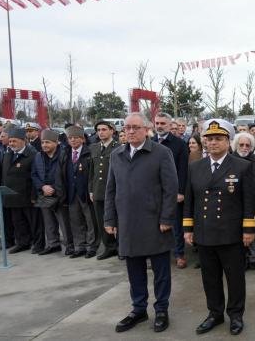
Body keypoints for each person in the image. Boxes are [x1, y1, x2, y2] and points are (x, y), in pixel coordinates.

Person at [105, 113, 179, 333]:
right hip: (127, 223)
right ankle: (138, 309)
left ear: (147, 129)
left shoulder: (161, 153)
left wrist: (167, 217)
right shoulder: (116, 155)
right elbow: (111, 190)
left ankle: (162, 309)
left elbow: (171, 188)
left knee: (161, 272)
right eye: (127, 128)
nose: (130, 131)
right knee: (134, 270)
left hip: (155, 222)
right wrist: (109, 218)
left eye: (135, 127)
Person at [183, 119, 255, 335]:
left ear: (228, 141)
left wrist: (249, 230)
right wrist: (188, 227)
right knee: (210, 278)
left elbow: (250, 201)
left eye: (218, 139)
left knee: (235, 278)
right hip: (205, 233)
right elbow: (190, 199)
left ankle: (235, 315)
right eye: (209, 139)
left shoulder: (242, 166)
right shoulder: (196, 167)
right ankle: (214, 313)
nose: (213, 143)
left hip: (231, 234)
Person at [152, 112, 189, 269]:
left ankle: (179, 254)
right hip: (154, 191)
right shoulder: (150, 142)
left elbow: (183, 169)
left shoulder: (179, 144)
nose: (159, 126)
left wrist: (180, 191)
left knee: (175, 225)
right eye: (157, 123)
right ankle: (157, 254)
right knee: (154, 225)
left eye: (163, 123)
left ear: (169, 125)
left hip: (172, 192)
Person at [1, 127, 42, 254]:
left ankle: (38, 244)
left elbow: (36, 176)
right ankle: (23, 242)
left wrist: (34, 195)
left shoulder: (33, 155)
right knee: (18, 222)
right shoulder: (8, 155)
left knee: (34, 223)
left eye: (14, 141)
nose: (11, 143)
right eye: (10, 141)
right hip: (12, 197)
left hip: (27, 196)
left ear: (23, 140)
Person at [232, 132, 255, 272]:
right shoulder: (230, 159)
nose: (244, 147)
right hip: (235, 203)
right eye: (241, 144)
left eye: (248, 145)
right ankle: (242, 260)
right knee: (238, 232)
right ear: (236, 145)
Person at [61, 125, 98, 259]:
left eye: (76, 138)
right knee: (76, 221)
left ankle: (91, 246)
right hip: (71, 193)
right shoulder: (65, 153)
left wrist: (91, 190)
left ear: (82, 139)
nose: (73, 140)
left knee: (90, 221)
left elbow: (93, 174)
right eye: (70, 138)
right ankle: (79, 246)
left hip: (86, 193)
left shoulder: (89, 153)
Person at [89, 121, 120, 260]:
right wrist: (91, 190)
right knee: (102, 220)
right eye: (98, 130)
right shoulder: (94, 148)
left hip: (115, 191)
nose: (101, 132)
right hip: (98, 191)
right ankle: (109, 247)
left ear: (112, 131)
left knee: (118, 220)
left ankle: (120, 247)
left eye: (104, 129)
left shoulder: (119, 148)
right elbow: (92, 172)